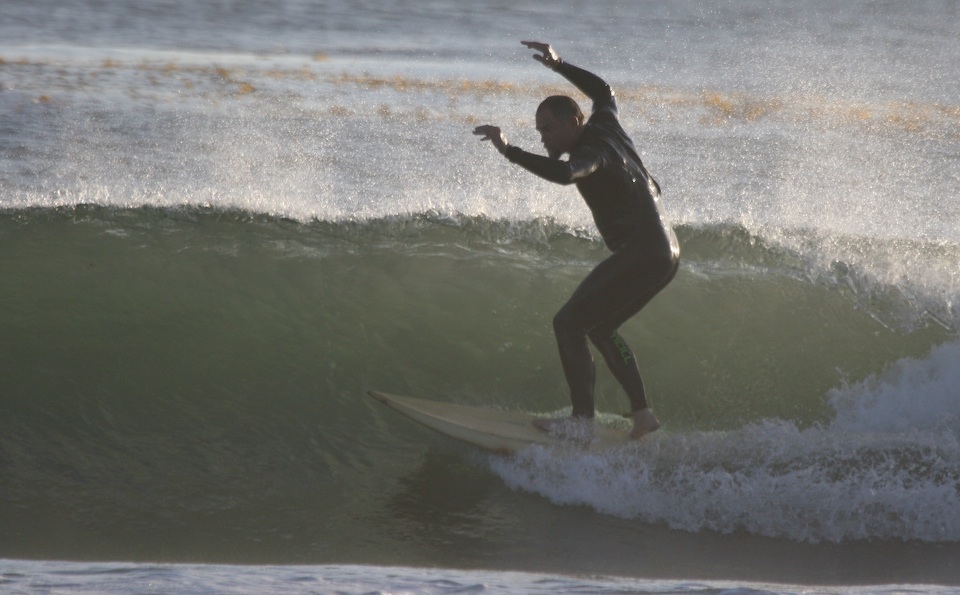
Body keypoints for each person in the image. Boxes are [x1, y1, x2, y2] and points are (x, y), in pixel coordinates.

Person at [472, 41, 680, 440]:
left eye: (548, 129)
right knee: (600, 328)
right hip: (666, 251)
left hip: (643, 250)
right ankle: (643, 416)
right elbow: (605, 92)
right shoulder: (605, 124)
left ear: (573, 121)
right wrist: (559, 64)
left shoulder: (591, 150)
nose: (544, 138)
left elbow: (569, 174)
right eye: (539, 133)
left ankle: (582, 421)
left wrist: (509, 151)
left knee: (568, 322)